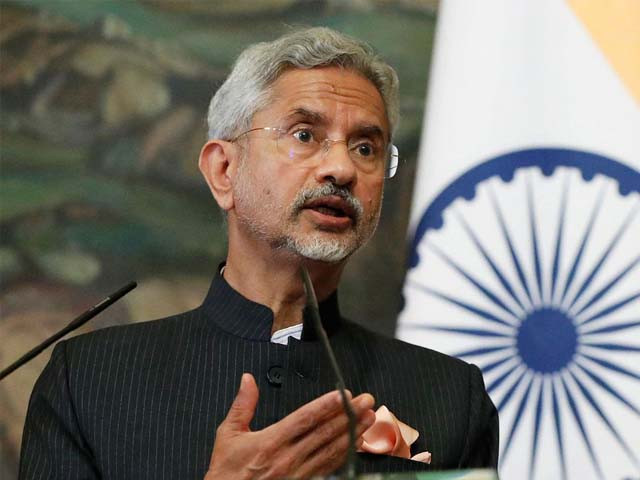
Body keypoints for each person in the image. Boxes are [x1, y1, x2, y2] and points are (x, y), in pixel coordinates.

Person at [19, 27, 498, 479]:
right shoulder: (87, 382)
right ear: (224, 171)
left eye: (366, 148)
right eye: (305, 135)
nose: (342, 167)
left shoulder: (451, 395)